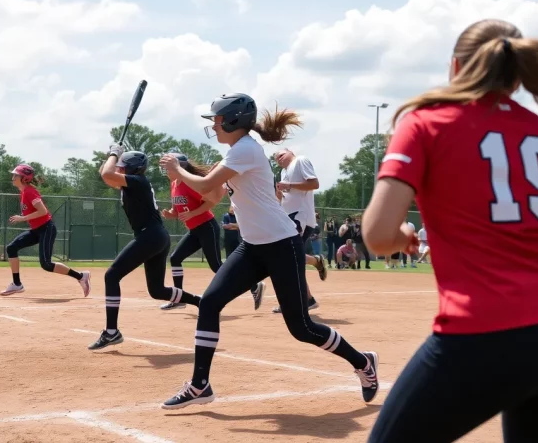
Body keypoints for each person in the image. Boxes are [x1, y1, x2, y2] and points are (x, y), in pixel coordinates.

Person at [362, 19, 538, 443]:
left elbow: (379, 237)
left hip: (487, 334)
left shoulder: (425, 122)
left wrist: (404, 232)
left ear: (455, 67)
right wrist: (525, 226)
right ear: (517, 79)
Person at [158, 93, 378, 410]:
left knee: (301, 328)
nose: (214, 126)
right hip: (253, 246)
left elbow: (206, 187)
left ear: (233, 121)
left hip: (280, 245)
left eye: (217, 120)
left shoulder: (245, 150)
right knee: (210, 303)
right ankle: (199, 385)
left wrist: (180, 172)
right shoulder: (236, 152)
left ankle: (363, 363)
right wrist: (183, 175)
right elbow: (214, 189)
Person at [89, 147, 202, 350]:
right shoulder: (131, 183)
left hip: (150, 236)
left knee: (112, 276)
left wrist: (115, 153)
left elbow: (107, 173)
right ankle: (200, 302)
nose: (119, 170)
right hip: (156, 236)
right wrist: (112, 156)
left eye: (123, 167)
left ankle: (112, 332)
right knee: (157, 290)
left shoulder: (138, 181)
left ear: (132, 169)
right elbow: (105, 174)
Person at [160, 153, 239, 311]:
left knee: (216, 266)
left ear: (180, 167)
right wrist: (171, 214)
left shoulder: (191, 183)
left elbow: (211, 201)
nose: (166, 171)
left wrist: (192, 214)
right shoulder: (174, 184)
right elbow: (177, 209)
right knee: (175, 258)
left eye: (168, 168)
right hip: (194, 230)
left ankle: (253, 286)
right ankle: (179, 298)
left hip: (206, 226)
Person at [0, 164, 91, 297]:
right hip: (37, 230)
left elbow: (43, 211)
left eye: (15, 175)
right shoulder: (24, 191)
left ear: (24, 178)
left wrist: (22, 218)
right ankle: (17, 284)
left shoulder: (30, 192)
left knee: (46, 264)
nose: (12, 177)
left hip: (46, 228)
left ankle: (81, 276)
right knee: (11, 248)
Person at [272, 148, 327, 314]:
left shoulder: (300, 161)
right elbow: (286, 197)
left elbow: (314, 184)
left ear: (290, 152)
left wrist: (288, 185)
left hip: (300, 216)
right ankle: (307, 297)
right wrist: (278, 194)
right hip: (289, 217)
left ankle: (302, 300)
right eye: (276, 159)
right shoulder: (283, 172)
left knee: (287, 258)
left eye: (281, 155)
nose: (279, 159)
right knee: (289, 258)